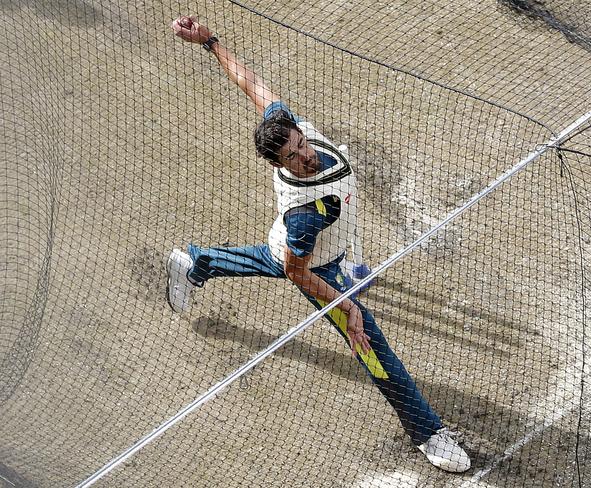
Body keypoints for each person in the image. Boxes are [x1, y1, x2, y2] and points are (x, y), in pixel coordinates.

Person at [168, 15, 471, 473]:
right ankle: (427, 432)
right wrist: (346, 307)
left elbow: (256, 88)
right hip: (316, 265)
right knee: (372, 347)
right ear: (278, 162)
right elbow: (297, 271)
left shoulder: (291, 129)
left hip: (313, 247)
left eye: (301, 143)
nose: (305, 154)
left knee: (269, 258)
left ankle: (196, 261)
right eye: (293, 155)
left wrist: (210, 41)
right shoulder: (305, 214)